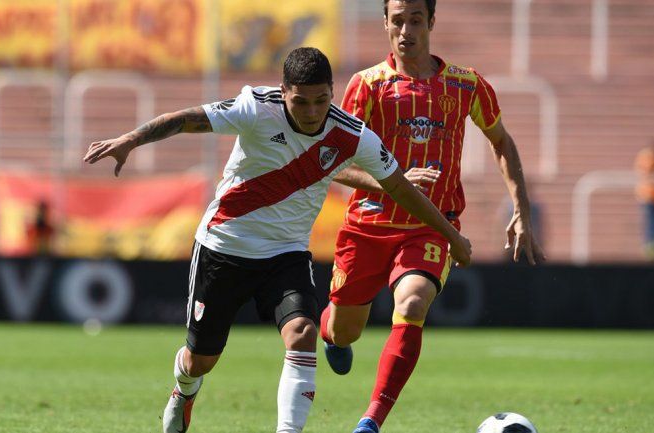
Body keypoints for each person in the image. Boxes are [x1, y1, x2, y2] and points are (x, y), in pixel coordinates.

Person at [83, 47, 472, 433]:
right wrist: (132, 139)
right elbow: (185, 120)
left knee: (302, 333)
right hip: (224, 247)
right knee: (201, 359)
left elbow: (401, 189)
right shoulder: (255, 108)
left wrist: (451, 235)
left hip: (286, 254)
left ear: (332, 93)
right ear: (284, 91)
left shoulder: (353, 136)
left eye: (321, 100)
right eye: (301, 102)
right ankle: (185, 391)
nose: (312, 112)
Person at [319, 2, 545, 432]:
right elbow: (330, 160)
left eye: (416, 20)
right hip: (367, 228)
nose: (406, 30)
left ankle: (371, 421)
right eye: (398, 20)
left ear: (431, 23)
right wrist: (393, 182)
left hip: (431, 227)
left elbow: (500, 141)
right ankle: (331, 333)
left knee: (413, 302)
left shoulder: (465, 85)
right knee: (345, 329)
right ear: (385, 22)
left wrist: (521, 209)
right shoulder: (367, 85)